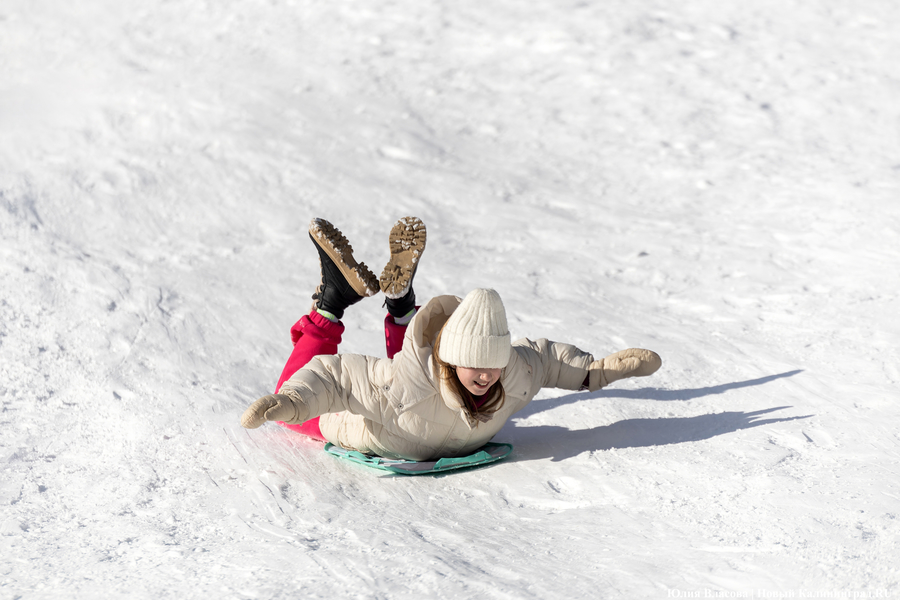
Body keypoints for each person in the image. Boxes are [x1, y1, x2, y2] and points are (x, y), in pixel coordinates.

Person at [241, 217, 662, 461]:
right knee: (302, 408)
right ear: (452, 356)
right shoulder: (402, 387)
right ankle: (334, 301)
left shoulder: (512, 373)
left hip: (414, 408)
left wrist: (600, 371)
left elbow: (548, 362)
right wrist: (288, 402)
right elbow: (336, 380)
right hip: (363, 425)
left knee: (415, 374)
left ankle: (400, 305)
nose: (485, 375)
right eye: (475, 365)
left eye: (493, 363)